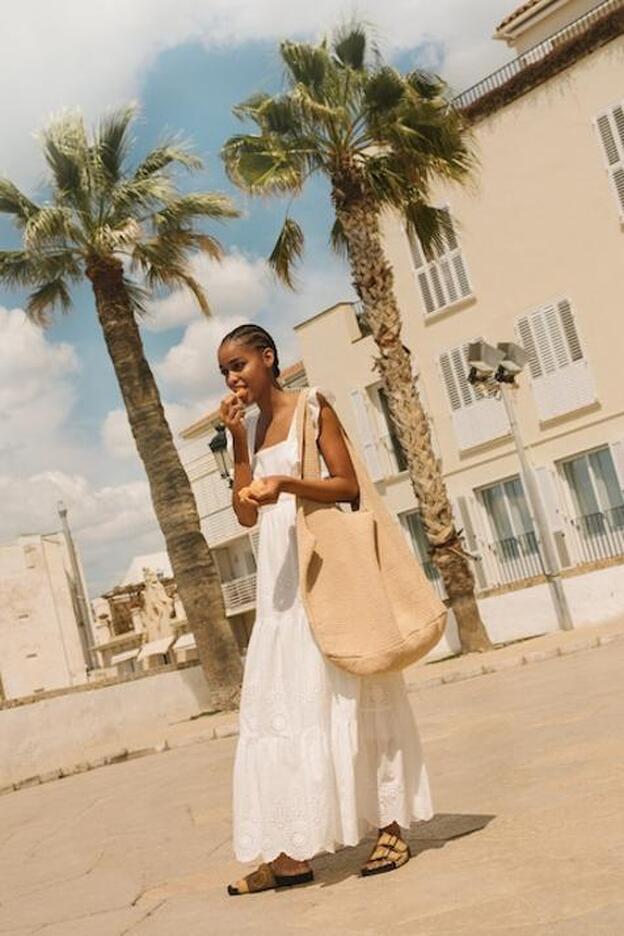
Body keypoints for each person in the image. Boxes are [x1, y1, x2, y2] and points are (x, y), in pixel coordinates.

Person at [217, 323, 433, 895]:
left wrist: (286, 482)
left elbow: (347, 487)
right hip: (279, 589)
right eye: (225, 371)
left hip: (323, 575)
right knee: (284, 712)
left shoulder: (315, 407)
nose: (233, 378)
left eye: (239, 364)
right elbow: (244, 516)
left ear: (269, 358)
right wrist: (240, 445)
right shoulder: (253, 427)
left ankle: (390, 829)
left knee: (351, 696)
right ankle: (290, 855)